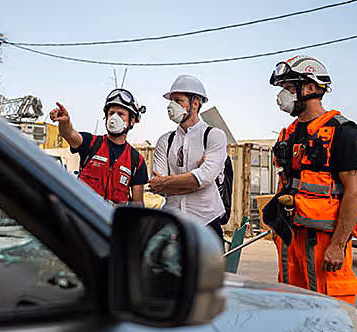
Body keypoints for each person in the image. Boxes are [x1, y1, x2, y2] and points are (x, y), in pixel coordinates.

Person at [266, 55, 357, 304]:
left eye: (289, 88)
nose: (283, 95)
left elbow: (355, 192)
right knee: (293, 309)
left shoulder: (343, 131)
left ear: (311, 87)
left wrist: (338, 245)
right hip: (291, 240)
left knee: (333, 319)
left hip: (325, 242)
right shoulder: (287, 135)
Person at [150, 75, 228, 241]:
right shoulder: (165, 141)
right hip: (171, 223)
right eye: (171, 101)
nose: (172, 106)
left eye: (178, 100)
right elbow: (157, 186)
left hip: (206, 222)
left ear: (195, 103)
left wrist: (166, 182)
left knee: (206, 268)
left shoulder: (214, 136)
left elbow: (204, 178)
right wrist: (195, 179)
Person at [50, 89, 149, 206]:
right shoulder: (91, 143)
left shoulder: (136, 160)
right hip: (83, 217)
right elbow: (70, 134)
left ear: (132, 121)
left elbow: (137, 204)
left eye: (121, 114)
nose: (114, 118)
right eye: (111, 113)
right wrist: (65, 123)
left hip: (112, 222)